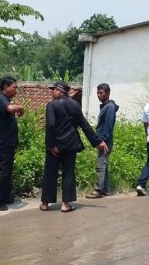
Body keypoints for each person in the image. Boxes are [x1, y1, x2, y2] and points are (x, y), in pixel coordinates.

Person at [41, 81, 109, 213]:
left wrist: (51, 145)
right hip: (70, 145)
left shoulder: (51, 104)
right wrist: (97, 142)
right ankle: (65, 205)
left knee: (50, 173)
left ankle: (45, 203)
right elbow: (84, 125)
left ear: (59, 91)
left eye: (53, 90)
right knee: (68, 174)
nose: (51, 92)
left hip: (54, 146)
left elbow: (50, 126)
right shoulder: (75, 105)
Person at [0, 76, 25, 211]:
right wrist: (21, 107)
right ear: (6, 87)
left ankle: (5, 196)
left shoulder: (4, 99)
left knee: (7, 171)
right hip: (2, 142)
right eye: (14, 87)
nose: (16, 91)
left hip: (8, 142)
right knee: (4, 171)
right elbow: (10, 109)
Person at [86, 83, 118, 199]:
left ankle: (98, 190)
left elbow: (108, 126)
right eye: (98, 93)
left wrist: (102, 140)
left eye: (101, 93)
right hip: (104, 140)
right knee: (104, 164)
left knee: (101, 165)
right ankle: (106, 189)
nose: (99, 95)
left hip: (105, 140)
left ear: (108, 93)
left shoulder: (109, 107)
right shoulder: (106, 106)